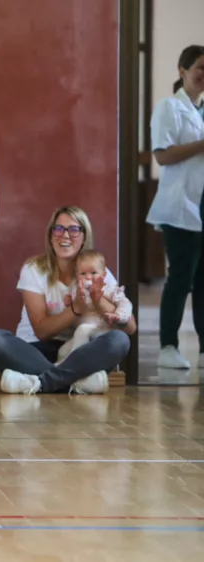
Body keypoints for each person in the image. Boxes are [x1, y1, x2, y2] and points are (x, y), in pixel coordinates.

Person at [0, 207, 135, 395]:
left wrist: (98, 301)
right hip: (36, 351)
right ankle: (75, 383)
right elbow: (42, 332)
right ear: (50, 235)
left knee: (119, 340)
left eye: (74, 229)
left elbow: (130, 327)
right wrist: (76, 309)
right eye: (58, 229)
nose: (65, 235)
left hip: (80, 351)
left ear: (84, 237)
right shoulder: (33, 269)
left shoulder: (96, 271)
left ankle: (41, 383)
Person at [146, 45, 204, 370]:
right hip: (179, 207)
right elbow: (163, 155)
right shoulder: (169, 107)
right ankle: (168, 346)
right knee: (180, 278)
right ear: (182, 71)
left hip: (202, 203)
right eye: (200, 67)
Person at [55, 249, 133, 363]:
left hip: (101, 329)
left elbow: (125, 303)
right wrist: (69, 302)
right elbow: (70, 308)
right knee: (62, 351)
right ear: (77, 275)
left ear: (104, 274)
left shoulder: (108, 289)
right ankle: (61, 368)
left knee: (82, 330)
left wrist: (119, 315)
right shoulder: (76, 288)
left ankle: (73, 364)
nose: (88, 277)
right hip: (81, 334)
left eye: (93, 273)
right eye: (83, 273)